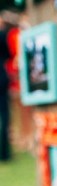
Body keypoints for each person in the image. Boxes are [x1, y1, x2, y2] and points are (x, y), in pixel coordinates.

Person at [0, 17, 10, 161]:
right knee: (4, 116)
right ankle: (4, 153)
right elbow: (7, 54)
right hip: (1, 81)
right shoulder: (1, 35)